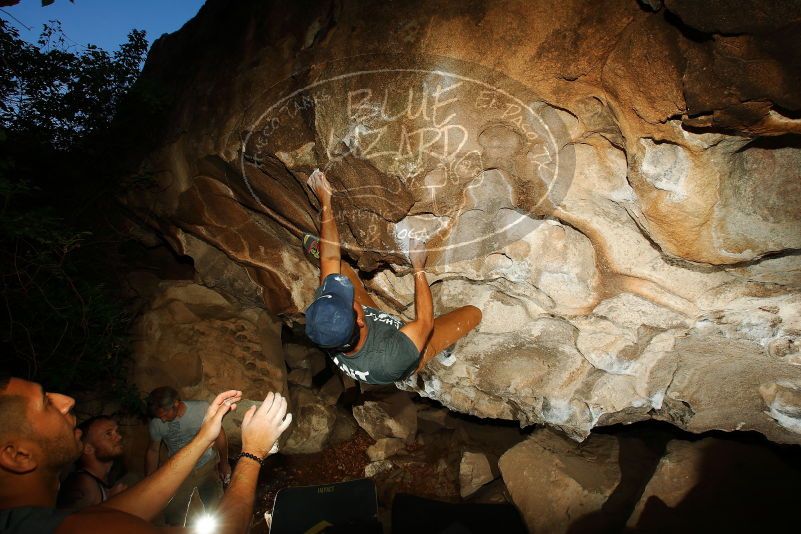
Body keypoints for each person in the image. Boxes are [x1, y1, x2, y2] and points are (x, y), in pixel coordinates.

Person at [0, 374, 292, 533]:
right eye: (46, 403)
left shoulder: (31, 520)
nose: (66, 401)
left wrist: (204, 436)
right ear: (18, 455)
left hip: (205, 469)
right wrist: (253, 453)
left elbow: (118, 512)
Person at [303, 169, 482, 384]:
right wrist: (418, 269)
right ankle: (441, 351)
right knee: (473, 314)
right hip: (407, 352)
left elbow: (330, 258)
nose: (341, 295)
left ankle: (321, 259)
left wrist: (325, 200)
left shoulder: (326, 323)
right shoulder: (391, 357)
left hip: (372, 329)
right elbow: (424, 322)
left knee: (336, 269)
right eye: (347, 301)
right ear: (359, 320)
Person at [145, 386, 228, 527]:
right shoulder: (156, 422)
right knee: (174, 513)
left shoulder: (201, 409)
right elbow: (153, 451)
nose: (163, 420)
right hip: (179, 471)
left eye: (165, 414)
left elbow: (219, 435)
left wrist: (224, 463)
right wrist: (149, 482)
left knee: (215, 506)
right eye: (160, 416)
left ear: (176, 403)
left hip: (206, 466)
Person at [57, 415, 126, 509]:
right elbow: (69, 522)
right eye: (109, 433)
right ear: (88, 448)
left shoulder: (102, 479)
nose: (119, 437)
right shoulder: (83, 484)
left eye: (116, 431)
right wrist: (112, 503)